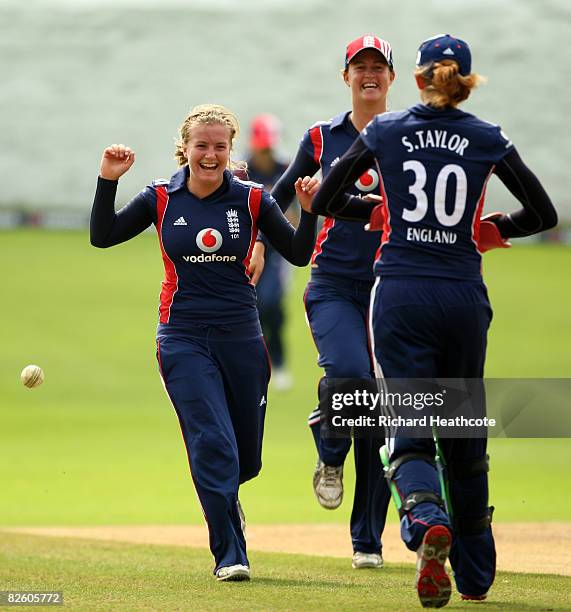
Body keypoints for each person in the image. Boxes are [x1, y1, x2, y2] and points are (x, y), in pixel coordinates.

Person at [308, 34, 557, 607]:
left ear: (416, 79)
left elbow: (322, 200)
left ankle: (425, 520)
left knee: (410, 427)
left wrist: (377, 211)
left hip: (400, 293)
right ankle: (475, 576)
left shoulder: (386, 132)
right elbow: (542, 213)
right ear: (467, 80)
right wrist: (492, 229)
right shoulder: (488, 137)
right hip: (463, 297)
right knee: (464, 435)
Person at [90, 104, 319, 581]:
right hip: (182, 337)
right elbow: (102, 235)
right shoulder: (160, 197)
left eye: (219, 146)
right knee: (212, 443)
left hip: (242, 337)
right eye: (202, 146)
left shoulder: (254, 199)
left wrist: (311, 212)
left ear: (230, 149)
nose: (210, 155)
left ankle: (228, 503)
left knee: (244, 459)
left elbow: (298, 254)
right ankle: (230, 554)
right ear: (186, 149)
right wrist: (108, 179)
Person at [250, 35, 394, 569]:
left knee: (380, 415)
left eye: (378, 67)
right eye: (360, 67)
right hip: (333, 282)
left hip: (391, 287)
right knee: (352, 377)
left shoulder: (406, 138)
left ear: (391, 78)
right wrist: (262, 242)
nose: (369, 75)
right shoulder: (320, 137)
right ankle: (330, 451)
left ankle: (367, 541)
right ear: (346, 77)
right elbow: (279, 195)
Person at [246, 114, 293, 391]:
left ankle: (279, 359)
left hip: (276, 250)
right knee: (250, 307)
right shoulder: (242, 171)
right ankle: (257, 362)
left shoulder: (285, 169)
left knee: (271, 304)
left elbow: (297, 212)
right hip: (246, 247)